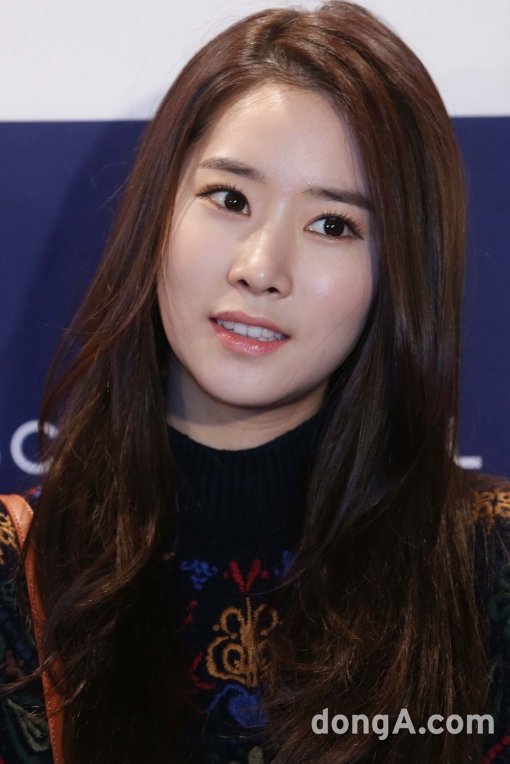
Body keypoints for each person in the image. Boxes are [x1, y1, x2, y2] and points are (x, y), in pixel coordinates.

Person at [1, 2, 509, 762]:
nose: (261, 268)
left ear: (400, 272)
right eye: (229, 199)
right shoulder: (18, 577)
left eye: (333, 225)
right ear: (158, 214)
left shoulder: (490, 572)